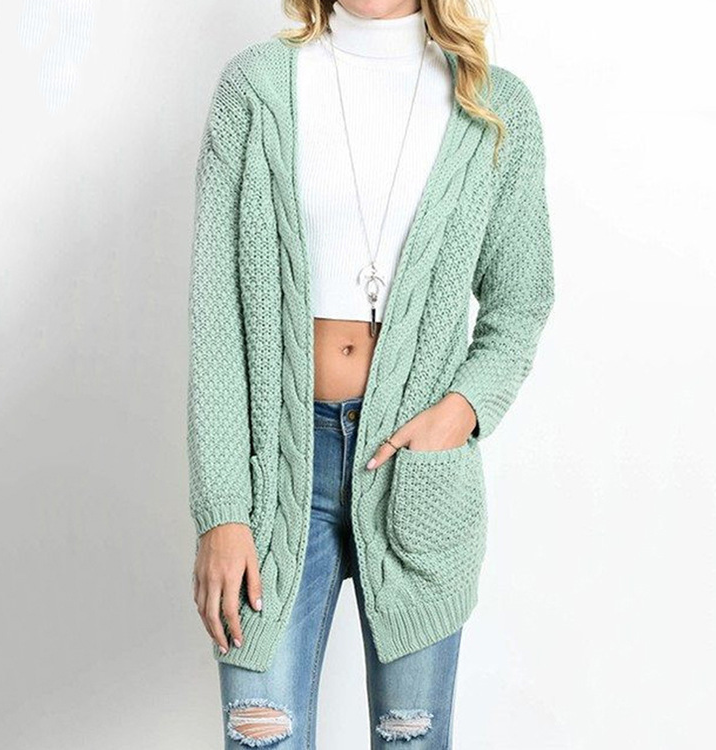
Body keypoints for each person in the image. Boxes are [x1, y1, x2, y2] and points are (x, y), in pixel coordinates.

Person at [187, 1, 555, 747]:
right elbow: (216, 318)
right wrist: (221, 510)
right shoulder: (257, 88)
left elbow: (522, 300)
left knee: (409, 738)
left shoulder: (494, 106)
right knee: (262, 736)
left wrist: (460, 410)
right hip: (273, 475)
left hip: (417, 472)